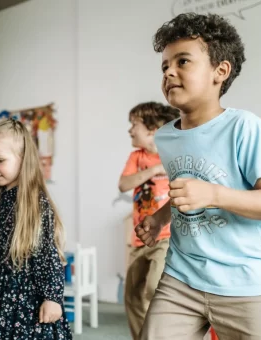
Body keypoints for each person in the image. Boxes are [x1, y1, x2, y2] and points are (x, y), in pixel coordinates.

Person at [136, 13, 261, 340]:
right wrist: (160, 217)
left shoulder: (244, 127)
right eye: (164, 65)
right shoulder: (165, 137)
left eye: (183, 61)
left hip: (245, 283)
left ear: (220, 72)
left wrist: (214, 194)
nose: (169, 71)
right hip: (181, 278)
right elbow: (186, 189)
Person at [0, 118, 72, 339]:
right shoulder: (0, 198)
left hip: (27, 305)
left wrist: (53, 297)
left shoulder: (36, 203)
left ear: (23, 159)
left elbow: (48, 255)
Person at [119, 102, 179, 339]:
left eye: (134, 125)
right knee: (132, 294)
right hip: (138, 237)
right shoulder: (137, 157)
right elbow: (124, 184)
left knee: (155, 287)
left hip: (164, 236)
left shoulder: (173, 154)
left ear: (153, 130)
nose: (130, 130)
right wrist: (154, 171)